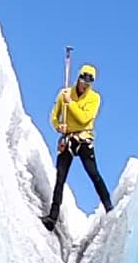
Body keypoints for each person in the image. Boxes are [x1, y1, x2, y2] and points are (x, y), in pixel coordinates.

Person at [45, 62, 111, 226]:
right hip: (68, 139)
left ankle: (109, 208)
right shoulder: (65, 94)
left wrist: (71, 103)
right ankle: (52, 217)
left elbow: (83, 119)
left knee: (93, 173)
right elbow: (54, 116)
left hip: (83, 139)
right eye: (83, 81)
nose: (85, 85)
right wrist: (58, 126)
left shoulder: (94, 98)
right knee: (60, 178)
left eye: (88, 83)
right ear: (79, 78)